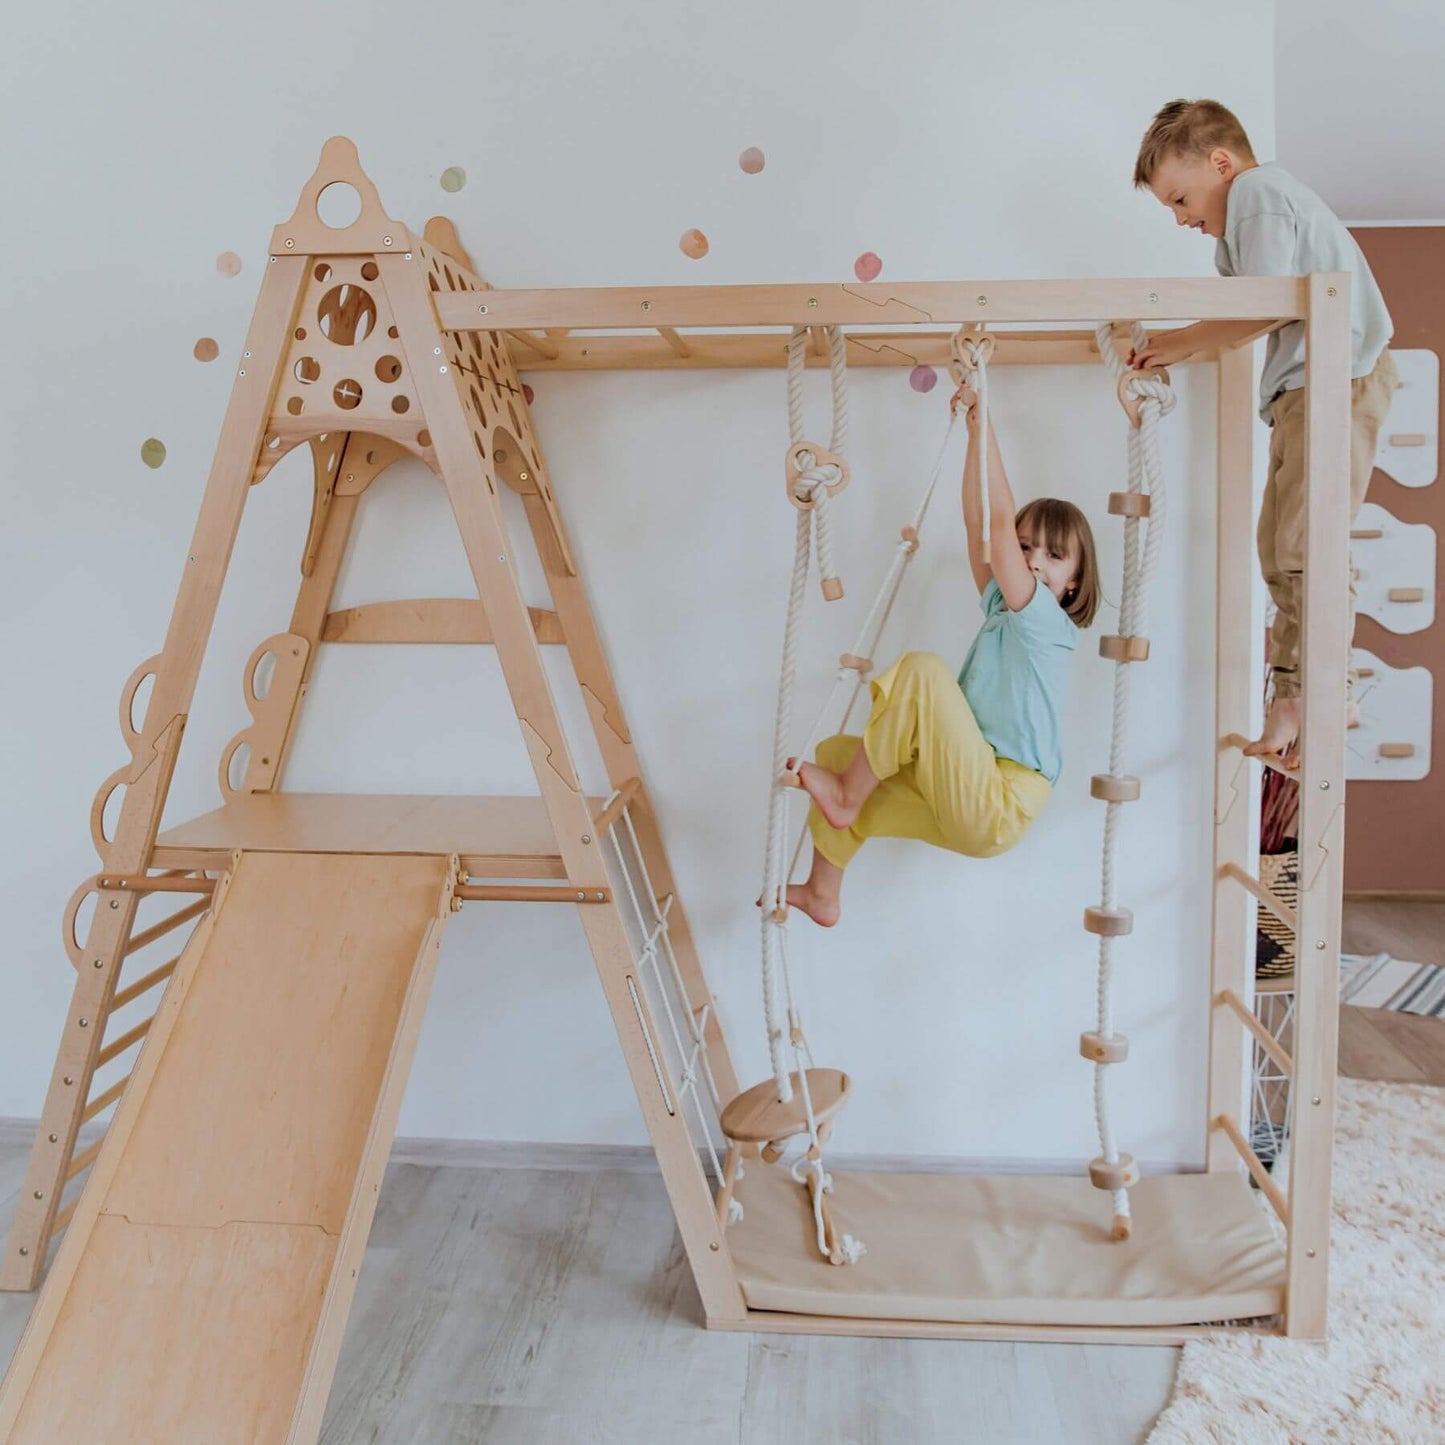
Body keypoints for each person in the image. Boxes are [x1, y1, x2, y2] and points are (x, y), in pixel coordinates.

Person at [1129, 98, 1396, 763]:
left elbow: (1260, 307)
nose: (1181, 217)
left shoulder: (1257, 191)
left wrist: (1177, 341)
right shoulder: (1237, 235)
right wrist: (1183, 342)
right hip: (1299, 394)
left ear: (1220, 164)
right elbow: (1252, 310)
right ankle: (1291, 695)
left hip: (1337, 379)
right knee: (1278, 549)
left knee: (1306, 542)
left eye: (1180, 197)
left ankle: (1332, 689)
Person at [784, 386, 1100, 926]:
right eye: (1025, 547)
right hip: (965, 786)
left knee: (925, 672)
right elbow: (981, 526)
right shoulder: (1005, 606)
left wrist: (991, 424)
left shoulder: (1049, 623)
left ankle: (843, 796)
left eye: (1052, 554)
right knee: (840, 751)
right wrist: (974, 434)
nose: (1032, 560)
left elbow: (998, 529)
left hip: (1000, 800)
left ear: (1073, 584)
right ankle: (822, 892)